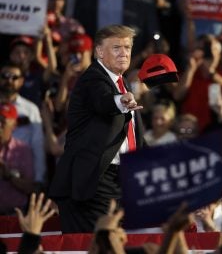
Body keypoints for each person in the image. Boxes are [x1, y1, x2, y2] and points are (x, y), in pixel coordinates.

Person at [49, 24, 146, 233]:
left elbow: (133, 139)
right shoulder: (93, 78)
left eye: (128, 48)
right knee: (100, 243)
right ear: (100, 52)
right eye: (117, 48)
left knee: (113, 243)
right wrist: (121, 101)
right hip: (93, 183)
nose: (124, 53)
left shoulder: (123, 83)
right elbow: (103, 101)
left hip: (119, 181)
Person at [0, 103, 35, 215]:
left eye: (3, 121)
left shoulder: (22, 150)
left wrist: (9, 175)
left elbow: (30, 187)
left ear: (14, 124)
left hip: (15, 216)